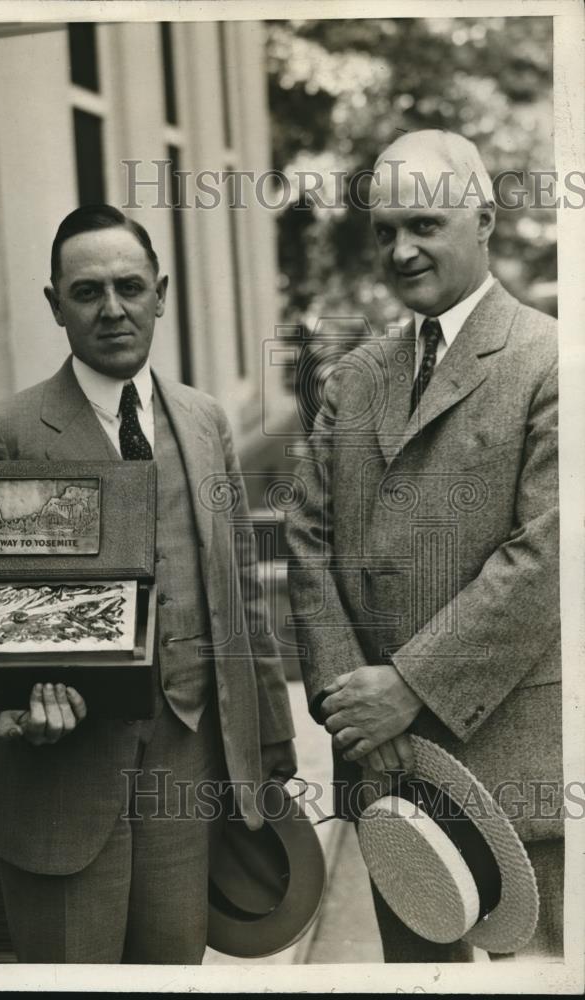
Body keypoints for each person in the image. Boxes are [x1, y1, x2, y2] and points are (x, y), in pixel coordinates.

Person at [0, 204, 297, 963]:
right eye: (86, 292)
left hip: (186, 763)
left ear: (161, 293)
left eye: (129, 287)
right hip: (59, 779)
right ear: (55, 305)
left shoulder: (204, 421)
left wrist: (270, 741)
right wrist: (15, 700)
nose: (112, 309)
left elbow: (241, 595)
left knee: (175, 972)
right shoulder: (6, 433)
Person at [286, 129, 562, 961]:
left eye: (424, 225)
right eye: (383, 232)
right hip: (391, 774)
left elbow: (548, 556)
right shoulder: (356, 378)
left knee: (545, 974)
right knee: (421, 982)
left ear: (482, 220)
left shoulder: (550, 359)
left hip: (517, 760)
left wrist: (411, 687)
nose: (400, 250)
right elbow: (307, 545)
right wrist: (358, 712)